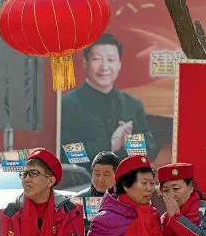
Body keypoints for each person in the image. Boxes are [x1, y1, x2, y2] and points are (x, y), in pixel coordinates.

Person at [61, 33, 158, 170]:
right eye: (97, 59)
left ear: (119, 65)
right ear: (85, 62)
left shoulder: (133, 105)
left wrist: (130, 143)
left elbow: (150, 149)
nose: (104, 67)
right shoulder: (66, 105)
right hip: (83, 186)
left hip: (126, 185)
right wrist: (111, 145)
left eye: (111, 60)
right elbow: (66, 154)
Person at [0, 148, 85, 236]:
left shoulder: (71, 213)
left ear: (50, 181)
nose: (27, 179)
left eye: (33, 173)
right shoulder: (9, 215)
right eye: (24, 174)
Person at [86, 155, 165, 236]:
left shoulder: (153, 214)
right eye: (144, 183)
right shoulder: (105, 221)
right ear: (126, 185)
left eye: (152, 183)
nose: (149, 188)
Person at [74, 151, 120, 234]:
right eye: (97, 174)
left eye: (106, 175)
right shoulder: (78, 200)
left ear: (117, 175)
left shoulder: (125, 201)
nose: (100, 179)